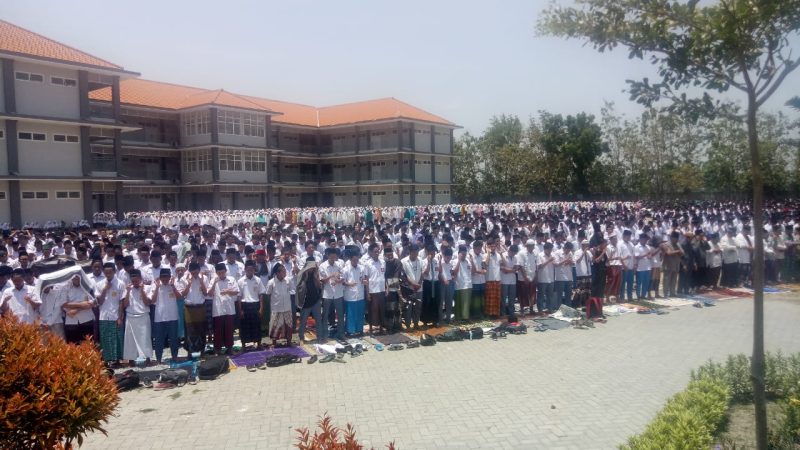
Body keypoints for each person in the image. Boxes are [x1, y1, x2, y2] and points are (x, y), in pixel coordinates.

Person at [95, 262, 126, 365]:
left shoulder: (120, 283)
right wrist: (105, 289)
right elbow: (100, 301)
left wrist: (120, 317)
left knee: (117, 338)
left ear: (114, 272)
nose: (108, 274)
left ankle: (117, 360)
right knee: (105, 338)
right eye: (106, 272)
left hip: (115, 315)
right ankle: (107, 360)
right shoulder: (99, 284)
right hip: (103, 315)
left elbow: (121, 301)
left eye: (110, 272)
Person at [122, 269, 153, 364]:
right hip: (131, 316)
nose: (135, 283)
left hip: (143, 316)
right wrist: (127, 292)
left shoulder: (147, 288)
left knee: (145, 338)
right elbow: (125, 305)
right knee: (130, 339)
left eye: (137, 281)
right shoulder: (127, 289)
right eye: (133, 281)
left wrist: (142, 290)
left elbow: (147, 302)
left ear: (140, 279)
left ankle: (147, 358)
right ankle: (131, 359)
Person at [208, 262, 240, 355]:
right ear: (216, 273)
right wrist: (214, 282)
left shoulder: (231, 279)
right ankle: (217, 349)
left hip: (229, 308)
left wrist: (228, 291)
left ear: (226, 271)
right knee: (218, 330)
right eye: (219, 273)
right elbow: (209, 293)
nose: (221, 274)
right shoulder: (214, 280)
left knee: (229, 329)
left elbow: (237, 292)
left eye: (223, 272)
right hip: (218, 309)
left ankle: (229, 348)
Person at [152, 268, 181, 364]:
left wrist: (173, 286)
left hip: (172, 316)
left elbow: (179, 297)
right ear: (160, 277)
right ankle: (158, 359)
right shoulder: (156, 286)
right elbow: (152, 300)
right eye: (163, 277)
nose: (165, 279)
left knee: (173, 339)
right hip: (159, 317)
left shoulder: (173, 285)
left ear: (169, 277)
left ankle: (175, 357)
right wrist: (156, 287)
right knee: (159, 340)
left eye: (166, 277)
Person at [237, 260, 267, 350]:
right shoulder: (240, 281)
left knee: (256, 326)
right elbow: (239, 297)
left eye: (252, 270)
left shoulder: (258, 280)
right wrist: (240, 310)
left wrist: (261, 308)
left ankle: (258, 344)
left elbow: (261, 294)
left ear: (254, 270)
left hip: (255, 305)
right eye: (248, 270)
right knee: (244, 326)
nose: (250, 271)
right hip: (245, 305)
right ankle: (244, 345)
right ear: (245, 270)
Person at [181, 262, 208, 354]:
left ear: (199, 271)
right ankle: (190, 351)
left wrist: (201, 282)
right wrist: (189, 284)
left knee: (201, 329)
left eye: (196, 272)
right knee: (189, 330)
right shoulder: (184, 278)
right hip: (189, 307)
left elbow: (206, 293)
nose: (194, 274)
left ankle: (202, 351)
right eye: (193, 273)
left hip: (200, 306)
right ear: (190, 271)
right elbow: (183, 294)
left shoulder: (204, 278)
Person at [318, 247, 344, 341]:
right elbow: (323, 281)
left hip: (338, 293)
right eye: (331, 257)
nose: (333, 259)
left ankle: (341, 334)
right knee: (325, 315)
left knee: (340, 315)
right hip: (327, 294)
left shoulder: (339, 265)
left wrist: (338, 280)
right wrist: (331, 276)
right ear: (328, 256)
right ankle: (324, 335)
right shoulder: (322, 266)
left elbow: (343, 278)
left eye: (335, 257)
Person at [63, 274, 96, 345]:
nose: (76, 279)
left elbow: (92, 302)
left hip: (86, 320)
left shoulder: (87, 286)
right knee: (73, 346)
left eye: (78, 277)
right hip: (71, 321)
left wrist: (76, 310)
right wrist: (82, 304)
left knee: (88, 345)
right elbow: (64, 304)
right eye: (74, 277)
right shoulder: (66, 288)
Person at [266, 263, 293, 346]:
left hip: (287, 307)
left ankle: (289, 341)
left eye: (285, 272)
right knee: (275, 326)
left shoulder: (288, 281)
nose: (285, 274)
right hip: (276, 308)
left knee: (288, 325)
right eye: (283, 272)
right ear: (277, 273)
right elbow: (268, 295)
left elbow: (290, 290)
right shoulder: (271, 282)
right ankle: (274, 342)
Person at [297, 258, 323, 342]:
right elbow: (299, 287)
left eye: (313, 268)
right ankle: (301, 337)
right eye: (311, 268)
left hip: (316, 301)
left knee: (318, 320)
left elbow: (319, 287)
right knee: (303, 321)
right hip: (306, 302)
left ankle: (319, 337)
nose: (312, 269)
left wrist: (316, 278)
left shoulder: (315, 275)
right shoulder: (303, 275)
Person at [342, 250, 367, 336]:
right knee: (350, 314)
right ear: (351, 259)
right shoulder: (346, 269)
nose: (356, 262)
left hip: (360, 294)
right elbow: (342, 282)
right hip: (350, 295)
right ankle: (350, 331)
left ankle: (359, 330)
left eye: (357, 260)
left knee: (360, 313)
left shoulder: (362, 268)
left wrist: (364, 281)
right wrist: (349, 284)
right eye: (354, 260)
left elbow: (364, 279)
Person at [363, 243, 387, 334]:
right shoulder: (367, 264)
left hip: (381, 289)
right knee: (373, 310)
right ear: (371, 252)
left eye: (378, 251)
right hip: (373, 290)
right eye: (375, 252)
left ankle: (381, 328)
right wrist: (367, 293)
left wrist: (386, 288)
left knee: (382, 309)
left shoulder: (383, 262)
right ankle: (372, 328)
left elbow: (385, 276)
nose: (377, 253)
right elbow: (366, 278)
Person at [401, 244, 424, 330]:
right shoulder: (404, 261)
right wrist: (413, 284)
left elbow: (422, 272)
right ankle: (407, 324)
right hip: (409, 289)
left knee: (418, 306)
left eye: (416, 252)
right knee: (408, 307)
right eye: (413, 252)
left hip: (419, 287)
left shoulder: (420, 260)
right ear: (410, 252)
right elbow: (404, 276)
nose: (415, 254)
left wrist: (419, 283)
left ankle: (416, 323)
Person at [661, 231, 683, 298]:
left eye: (677, 238)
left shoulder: (678, 244)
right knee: (666, 280)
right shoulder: (666, 244)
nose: (676, 239)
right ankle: (665, 294)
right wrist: (677, 251)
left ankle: (672, 293)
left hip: (676, 265)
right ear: (671, 237)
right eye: (675, 238)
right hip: (668, 265)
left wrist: (678, 251)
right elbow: (668, 253)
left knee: (674, 280)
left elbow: (682, 253)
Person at [536, 242, 556, 314]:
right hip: (542, 279)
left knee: (550, 295)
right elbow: (539, 266)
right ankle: (540, 310)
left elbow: (555, 264)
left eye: (551, 249)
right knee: (541, 295)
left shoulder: (552, 255)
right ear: (545, 249)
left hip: (551, 278)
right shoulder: (540, 255)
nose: (550, 251)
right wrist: (548, 261)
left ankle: (549, 309)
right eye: (549, 249)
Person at [634, 233, 653, 300]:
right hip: (640, 268)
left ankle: (643, 295)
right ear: (641, 239)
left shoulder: (648, 247)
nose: (645, 241)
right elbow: (636, 257)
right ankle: (638, 296)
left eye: (646, 240)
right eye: (644, 239)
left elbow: (650, 256)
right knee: (639, 283)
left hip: (647, 267)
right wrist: (646, 255)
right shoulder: (637, 247)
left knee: (646, 282)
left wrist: (649, 256)